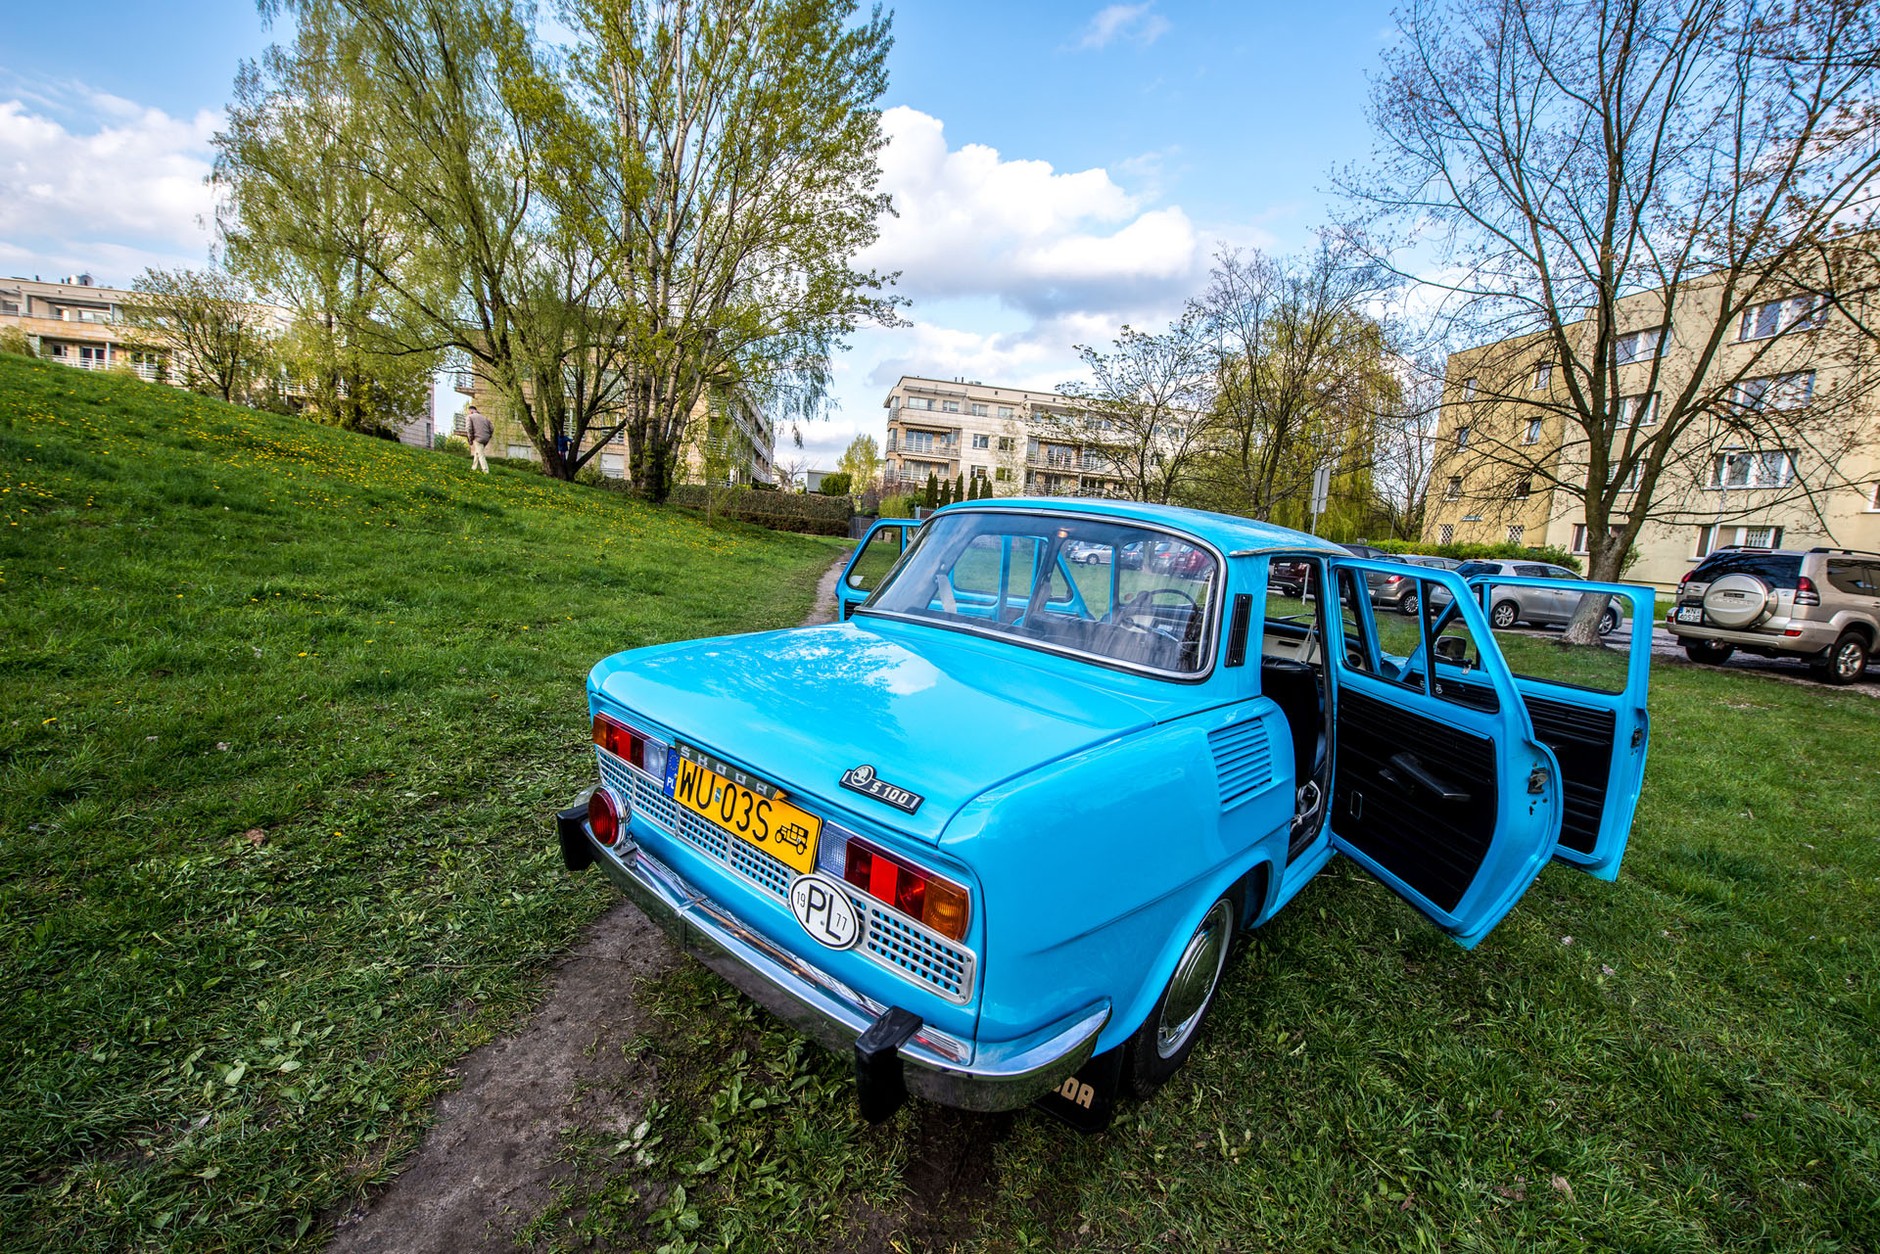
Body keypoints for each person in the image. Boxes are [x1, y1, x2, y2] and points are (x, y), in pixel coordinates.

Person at [465, 405, 493, 474]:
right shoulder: (485, 418)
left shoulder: (470, 417)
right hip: (486, 438)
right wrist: (489, 436)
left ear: (471, 411)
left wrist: (470, 439)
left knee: (481, 454)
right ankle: (473, 468)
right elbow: (492, 428)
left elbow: (469, 429)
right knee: (477, 452)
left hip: (478, 438)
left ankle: (485, 470)